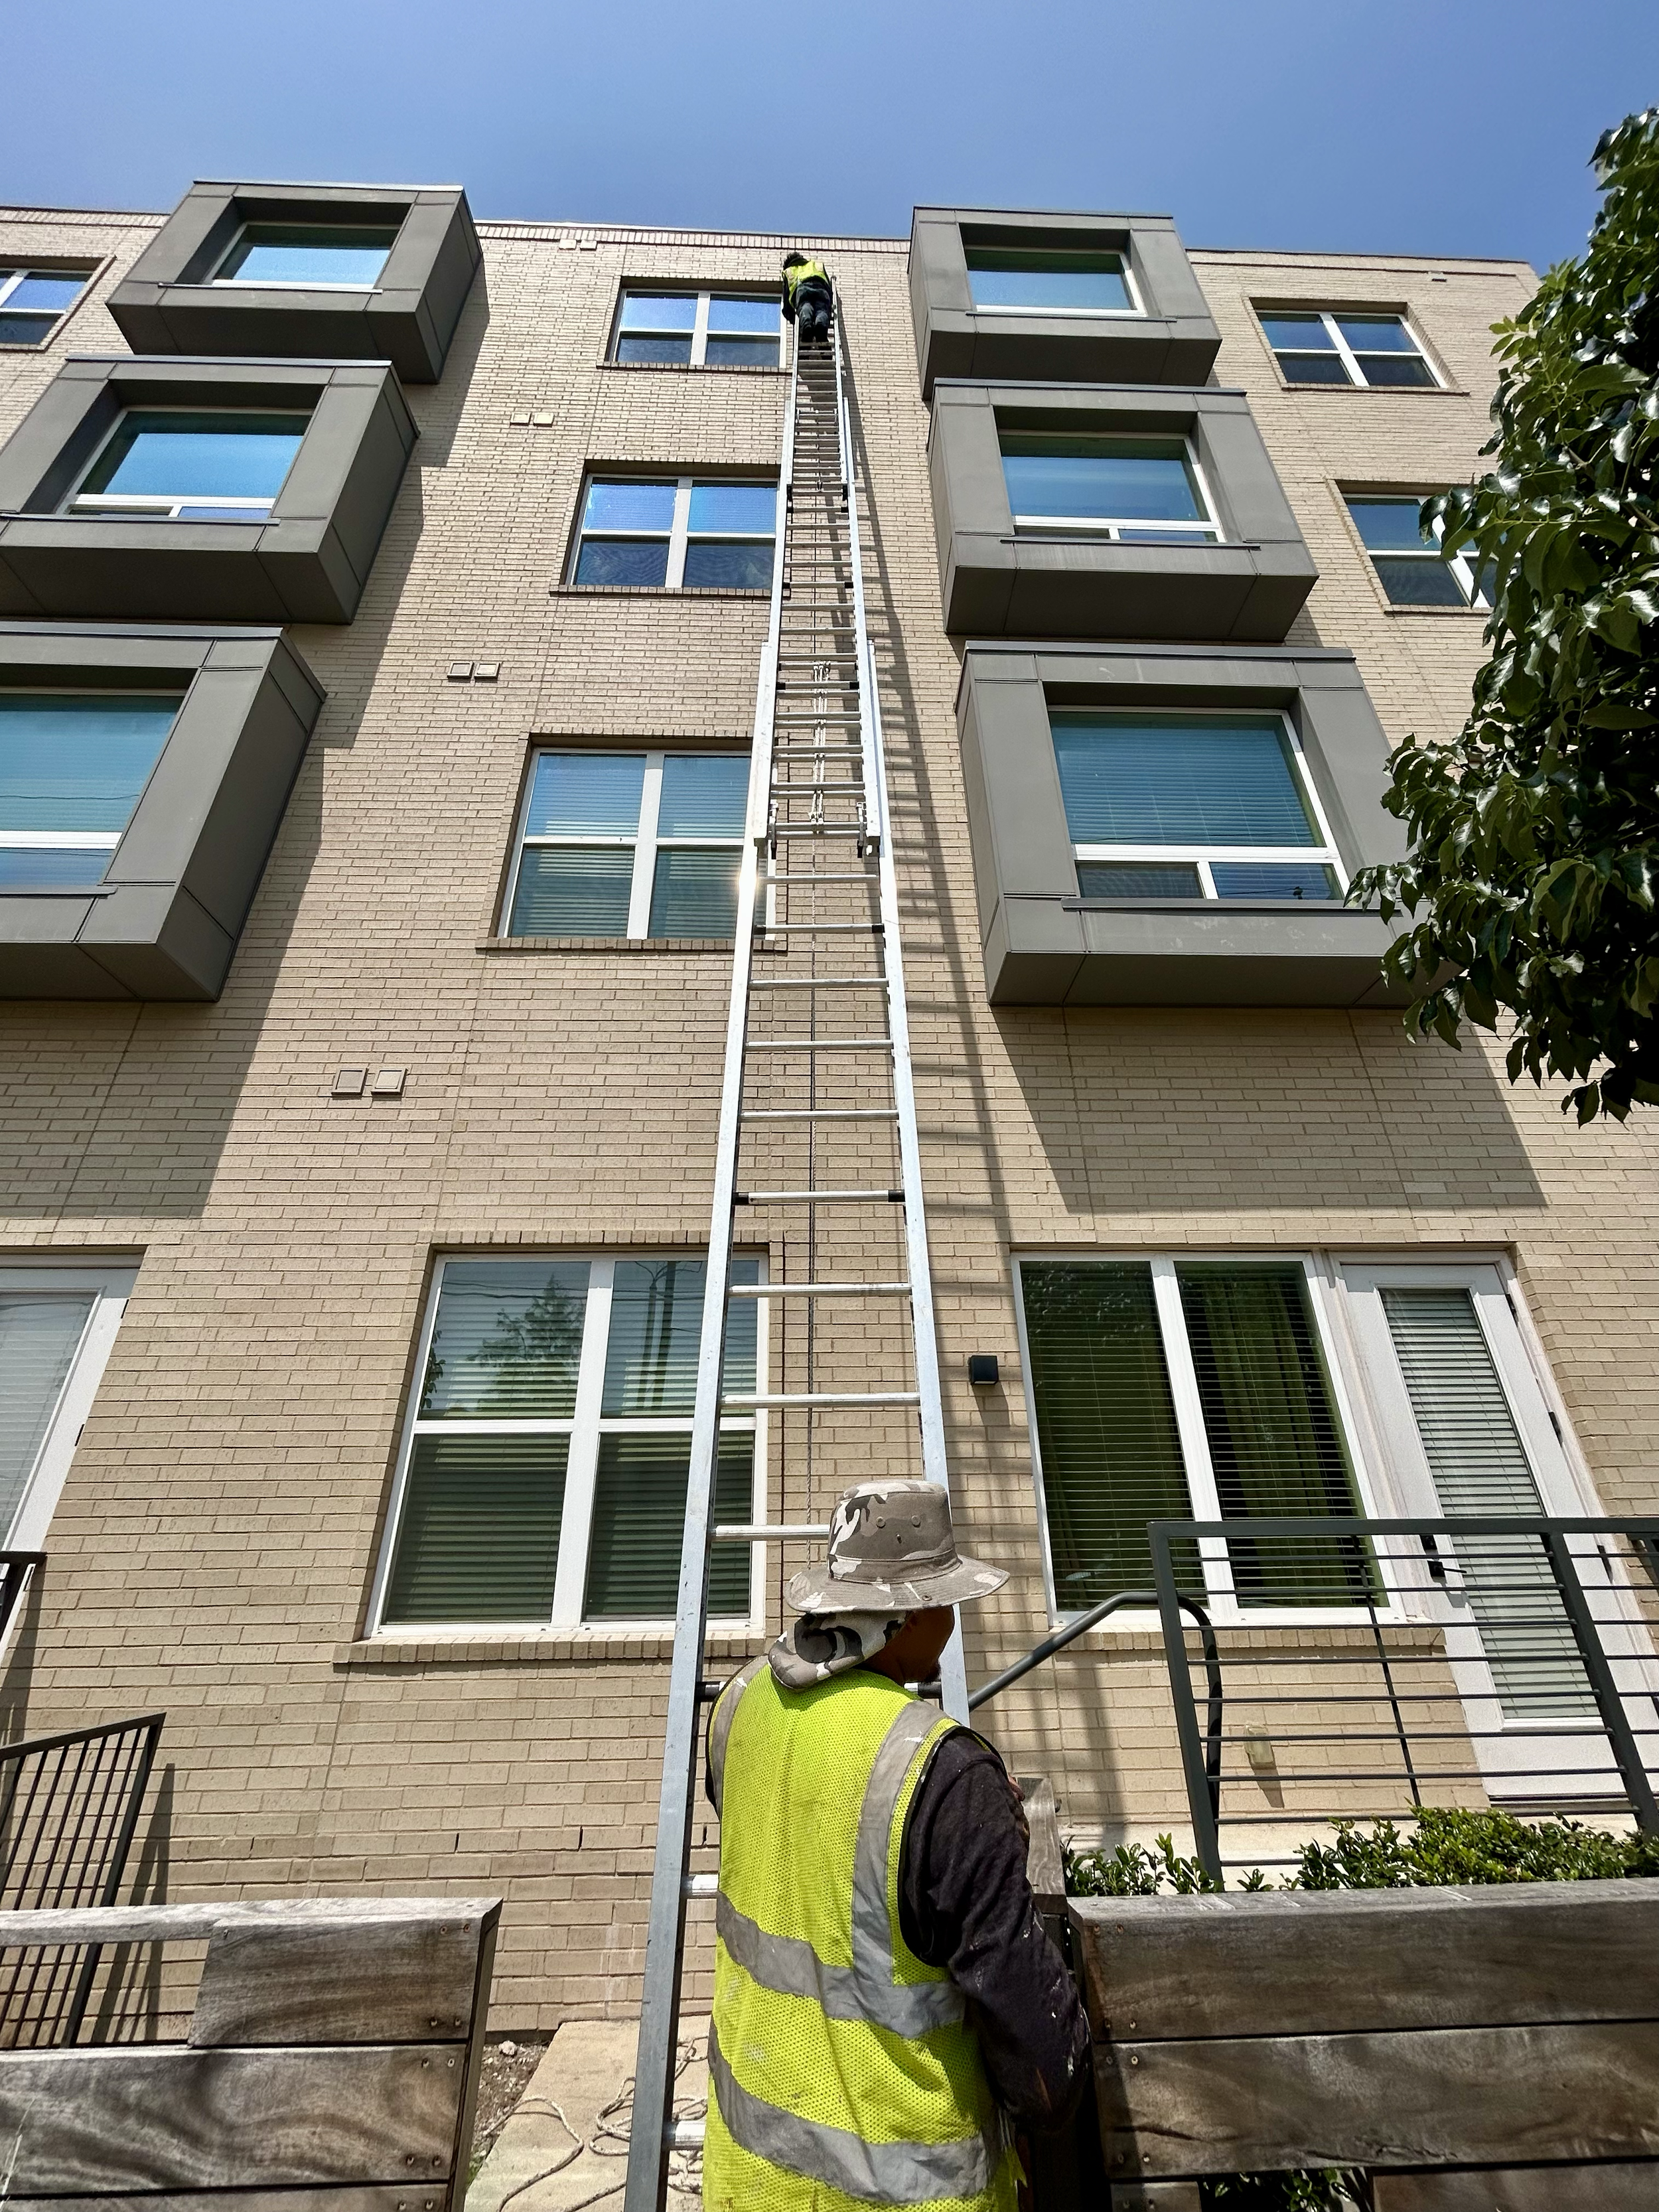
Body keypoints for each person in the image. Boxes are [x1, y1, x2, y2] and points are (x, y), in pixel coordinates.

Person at [702, 1478, 1091, 2212]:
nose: (950, 1620)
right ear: (908, 1614)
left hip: (747, 2177)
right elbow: (1037, 2052)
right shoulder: (943, 1770)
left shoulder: (739, 1703)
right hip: (900, 2195)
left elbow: (801, 1857)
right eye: (944, 1601)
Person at [782, 250, 834, 346]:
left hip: (802, 289)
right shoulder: (816, 265)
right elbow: (828, 286)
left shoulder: (789, 271)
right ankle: (821, 326)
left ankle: (807, 326)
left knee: (805, 306)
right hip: (821, 288)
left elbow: (786, 299)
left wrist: (792, 317)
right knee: (822, 309)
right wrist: (829, 302)